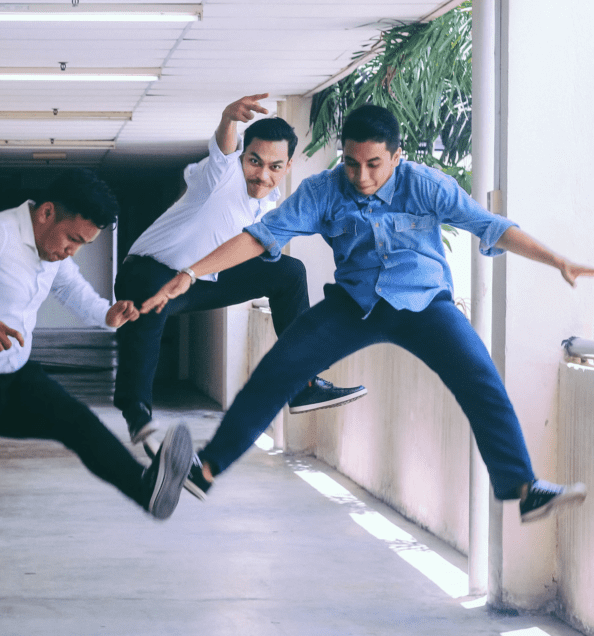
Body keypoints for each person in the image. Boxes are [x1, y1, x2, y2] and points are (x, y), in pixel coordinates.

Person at [142, 104, 590, 522]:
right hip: (353, 306)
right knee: (278, 371)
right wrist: (192, 272)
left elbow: (491, 227)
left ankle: (524, 488)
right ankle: (206, 470)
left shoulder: (426, 185)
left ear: (396, 156)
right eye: (352, 163)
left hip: (425, 305)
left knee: (482, 381)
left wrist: (558, 261)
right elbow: (262, 234)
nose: (360, 176)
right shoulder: (324, 191)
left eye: (373, 164)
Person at [0, 168, 193, 636]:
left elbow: (69, 285)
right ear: (45, 214)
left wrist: (106, 314)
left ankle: (148, 491)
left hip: (15, 376)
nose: (72, 250)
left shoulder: (51, 249)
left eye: (83, 244)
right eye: (73, 239)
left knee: (79, 423)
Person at [114, 94, 366, 445]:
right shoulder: (221, 175)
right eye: (254, 161)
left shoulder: (269, 208)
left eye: (274, 167)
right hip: (146, 272)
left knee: (290, 273)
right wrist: (228, 120)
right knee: (151, 298)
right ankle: (136, 408)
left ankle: (302, 385)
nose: (262, 175)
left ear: (288, 166)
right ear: (242, 157)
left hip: (200, 282)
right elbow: (223, 150)